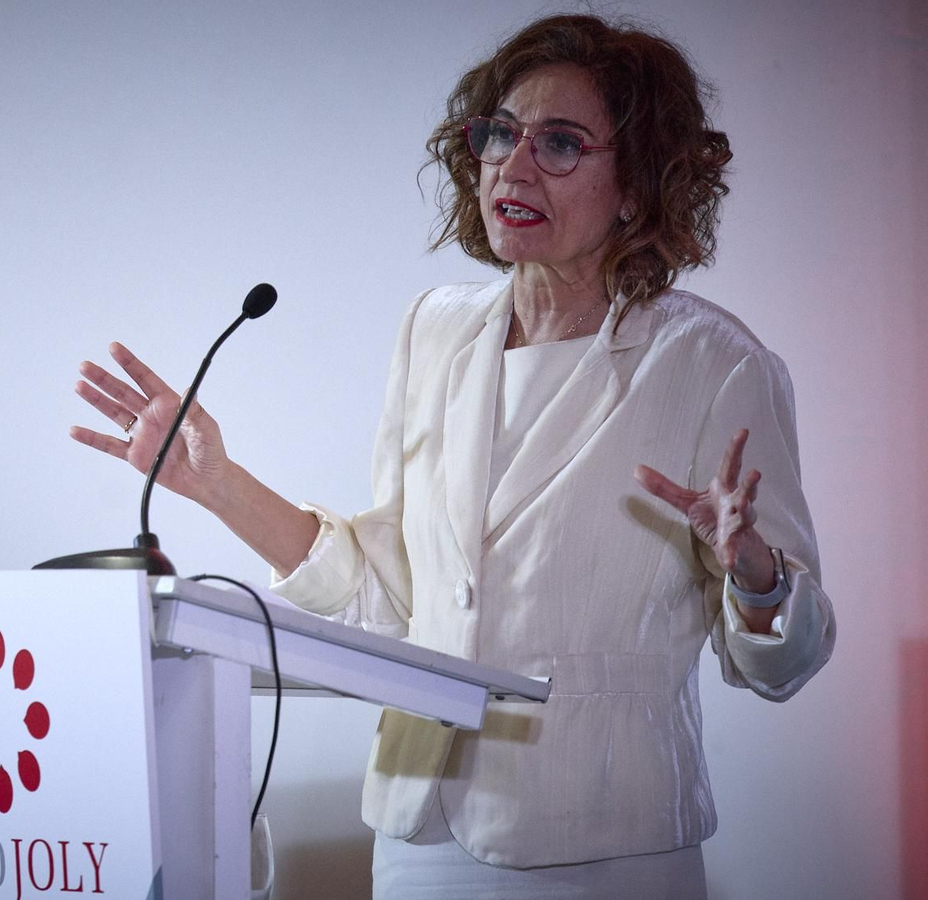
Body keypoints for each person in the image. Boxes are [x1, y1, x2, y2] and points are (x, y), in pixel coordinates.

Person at [68, 13, 836, 899]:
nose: (512, 166)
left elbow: (785, 664)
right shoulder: (434, 332)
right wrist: (217, 485)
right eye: (501, 133)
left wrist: (756, 575)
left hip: (600, 846)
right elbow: (393, 601)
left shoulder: (715, 365)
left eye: (559, 143)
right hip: (416, 838)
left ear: (636, 184)